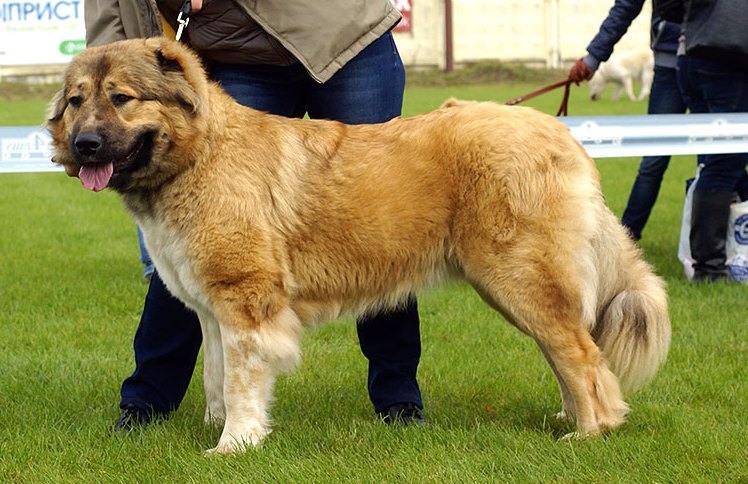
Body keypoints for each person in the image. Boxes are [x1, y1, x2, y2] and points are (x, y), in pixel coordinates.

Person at [82, 0, 426, 430]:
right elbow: (112, 13)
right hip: (241, 55)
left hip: (342, 37)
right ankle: (147, 401)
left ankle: (398, 400)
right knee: (216, 254)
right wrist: (112, 77)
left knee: (381, 222)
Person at [568, 0, 686, 241]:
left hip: (717, 64)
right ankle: (626, 239)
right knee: (656, 160)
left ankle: (714, 247)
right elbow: (625, 7)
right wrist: (593, 58)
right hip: (676, 62)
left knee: (718, 161)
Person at [657, 0, 748, 282]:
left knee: (715, 164)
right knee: (723, 166)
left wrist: (701, 18)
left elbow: (667, 6)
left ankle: (718, 258)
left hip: (690, 57)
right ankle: (709, 269)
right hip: (728, 62)